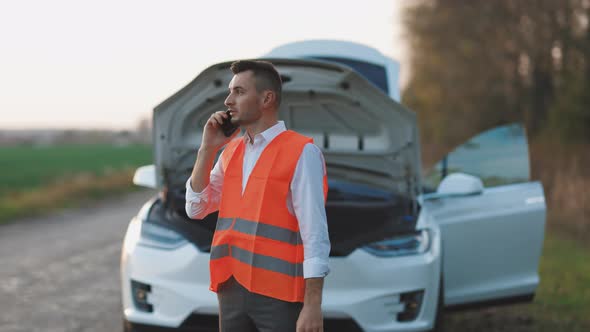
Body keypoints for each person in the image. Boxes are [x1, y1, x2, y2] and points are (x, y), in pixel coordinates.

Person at [185, 60, 330, 332]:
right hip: (231, 290)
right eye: (229, 92)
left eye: (239, 91)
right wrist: (207, 150)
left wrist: (312, 305)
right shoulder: (229, 151)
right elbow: (196, 208)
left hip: (279, 296)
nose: (228, 100)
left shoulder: (301, 152)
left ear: (266, 98)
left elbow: (315, 235)